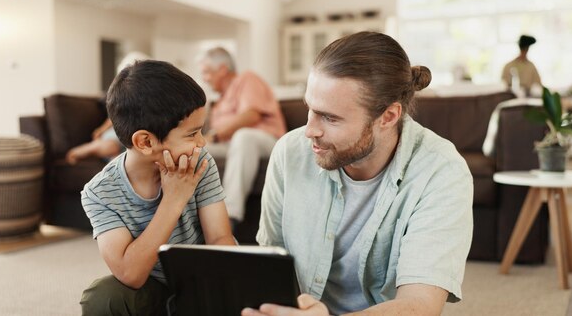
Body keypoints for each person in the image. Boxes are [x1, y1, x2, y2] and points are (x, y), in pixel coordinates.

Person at [244, 32, 473, 316]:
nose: (309, 130)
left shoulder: (441, 172)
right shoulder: (291, 152)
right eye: (310, 109)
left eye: (329, 117)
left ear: (388, 117)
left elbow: (421, 305)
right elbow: (271, 264)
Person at [79, 60, 236, 315]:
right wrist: (174, 199)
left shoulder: (199, 162)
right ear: (145, 142)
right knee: (102, 297)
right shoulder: (99, 193)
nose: (202, 143)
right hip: (152, 289)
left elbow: (219, 238)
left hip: (203, 281)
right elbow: (130, 275)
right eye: (191, 134)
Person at [199, 47, 287, 227]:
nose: (205, 79)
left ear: (222, 69)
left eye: (207, 72)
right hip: (231, 145)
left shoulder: (247, 79)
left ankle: (231, 216)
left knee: (243, 136)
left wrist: (215, 135)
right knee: (195, 150)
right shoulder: (219, 100)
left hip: (265, 139)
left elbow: (251, 115)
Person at [66, 51, 151, 165]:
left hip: (136, 136)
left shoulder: (149, 98)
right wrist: (101, 130)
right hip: (118, 131)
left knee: (126, 157)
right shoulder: (123, 97)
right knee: (111, 147)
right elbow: (113, 118)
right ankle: (82, 150)